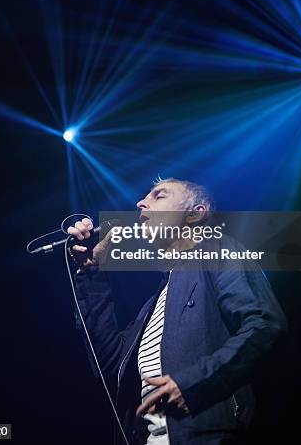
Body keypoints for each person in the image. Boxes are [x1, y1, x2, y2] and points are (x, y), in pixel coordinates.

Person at [69, 178, 287, 445]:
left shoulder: (220, 250)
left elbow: (264, 325)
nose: (141, 202)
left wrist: (194, 383)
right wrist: (91, 272)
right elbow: (109, 364)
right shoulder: (154, 302)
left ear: (195, 214)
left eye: (159, 196)